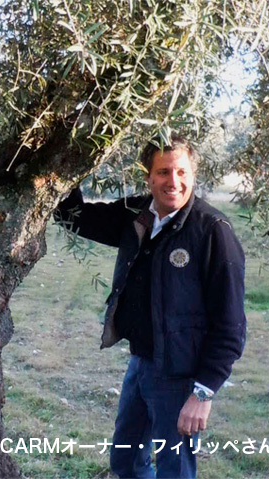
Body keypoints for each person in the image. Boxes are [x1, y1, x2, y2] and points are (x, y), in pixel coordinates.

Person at [53, 135, 246, 478]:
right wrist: (64, 157)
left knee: (174, 468)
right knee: (125, 461)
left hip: (181, 374)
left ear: (193, 174)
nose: (174, 182)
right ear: (148, 177)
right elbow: (74, 216)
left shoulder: (212, 230)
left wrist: (203, 393)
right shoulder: (137, 215)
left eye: (182, 172)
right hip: (141, 363)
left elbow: (231, 324)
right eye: (163, 172)